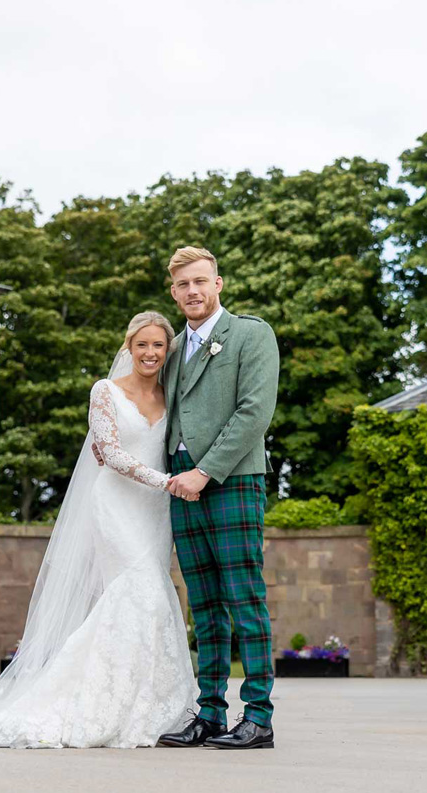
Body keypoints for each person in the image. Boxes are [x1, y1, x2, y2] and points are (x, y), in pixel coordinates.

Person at [0, 312, 195, 748]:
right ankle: (95, 701)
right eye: (142, 345)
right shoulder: (105, 391)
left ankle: (147, 699)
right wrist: (164, 481)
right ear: (128, 348)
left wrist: (173, 484)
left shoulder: (174, 396)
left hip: (155, 513)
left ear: (168, 350)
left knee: (152, 595)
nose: (150, 353)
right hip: (116, 504)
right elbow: (109, 453)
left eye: (158, 346)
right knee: (140, 587)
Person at [152, 246, 281, 750]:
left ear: (218, 284)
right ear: (173, 292)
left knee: (243, 598)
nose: (193, 292)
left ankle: (258, 718)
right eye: (183, 285)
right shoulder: (170, 347)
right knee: (203, 605)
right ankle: (208, 713)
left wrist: (205, 471)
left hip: (231, 477)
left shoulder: (252, 334)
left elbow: (254, 413)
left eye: (200, 282)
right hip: (179, 481)